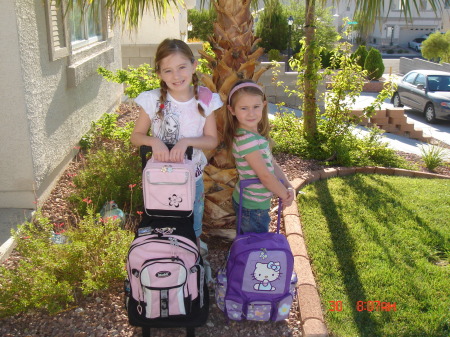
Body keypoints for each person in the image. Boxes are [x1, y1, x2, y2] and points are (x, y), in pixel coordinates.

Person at [131, 38, 223, 242]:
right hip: (158, 179)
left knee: (192, 226)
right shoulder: (152, 100)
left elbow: (211, 140)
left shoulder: (205, 98)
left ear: (194, 65)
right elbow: (136, 137)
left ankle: (193, 261)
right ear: (159, 74)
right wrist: (154, 142)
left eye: (182, 67)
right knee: (161, 225)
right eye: (168, 70)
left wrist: (186, 142)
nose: (176, 75)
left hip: (193, 179)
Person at [224, 80, 295, 234]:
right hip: (253, 207)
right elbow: (265, 176)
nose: (251, 113)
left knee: (250, 242)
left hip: (254, 203)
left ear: (263, 105)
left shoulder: (254, 135)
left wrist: (288, 186)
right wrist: (284, 195)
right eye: (244, 108)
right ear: (232, 110)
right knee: (255, 246)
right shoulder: (246, 140)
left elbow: (272, 164)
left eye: (256, 107)